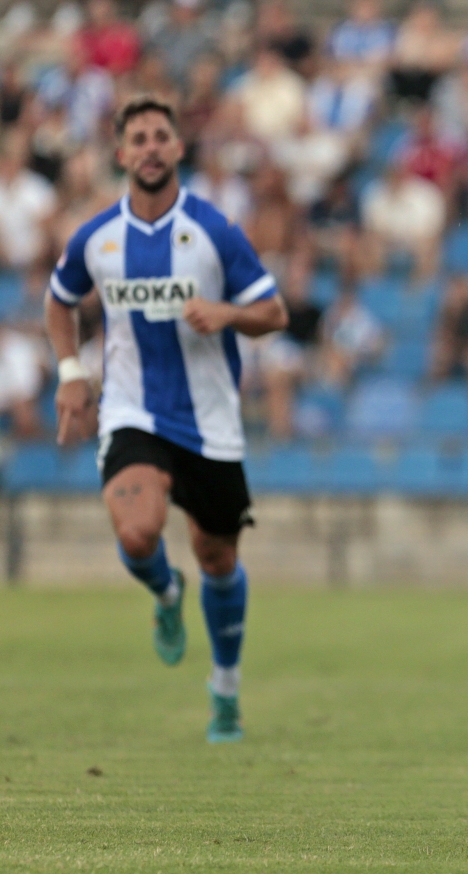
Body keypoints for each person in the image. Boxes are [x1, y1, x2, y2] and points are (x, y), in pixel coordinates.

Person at [44, 96, 287, 743]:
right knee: (136, 533)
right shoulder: (97, 239)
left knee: (217, 557)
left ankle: (226, 691)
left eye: (161, 137)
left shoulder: (214, 231)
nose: (150, 147)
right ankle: (165, 594)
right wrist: (71, 374)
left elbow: (275, 313)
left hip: (210, 423)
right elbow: (59, 301)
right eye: (138, 139)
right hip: (132, 413)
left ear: (178, 149)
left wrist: (227, 313)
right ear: (121, 154)